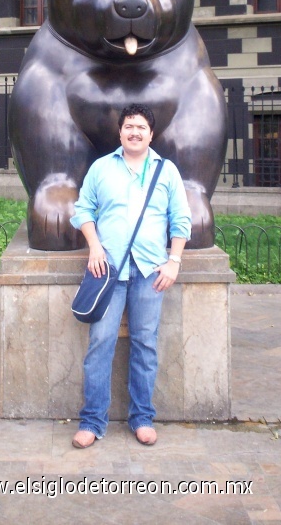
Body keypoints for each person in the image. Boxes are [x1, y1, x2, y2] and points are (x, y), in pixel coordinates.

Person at [70, 104, 191, 449]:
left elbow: (181, 219)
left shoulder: (166, 171)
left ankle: (142, 418)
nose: (134, 132)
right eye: (128, 126)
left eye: (141, 127)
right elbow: (83, 209)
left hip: (151, 271)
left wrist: (174, 261)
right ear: (120, 132)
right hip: (108, 270)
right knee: (100, 345)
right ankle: (92, 420)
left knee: (145, 345)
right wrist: (94, 246)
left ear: (151, 134)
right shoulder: (101, 168)